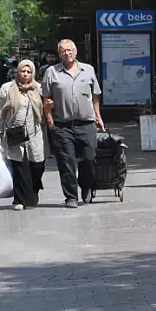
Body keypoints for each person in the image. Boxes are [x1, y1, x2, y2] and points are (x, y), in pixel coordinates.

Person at [42, 39, 106, 208]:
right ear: (59, 54)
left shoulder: (88, 70)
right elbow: (46, 100)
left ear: (76, 52)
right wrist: (50, 124)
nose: (67, 53)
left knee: (89, 158)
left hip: (86, 123)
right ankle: (70, 196)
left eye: (70, 50)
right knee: (66, 162)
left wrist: (98, 117)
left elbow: (95, 96)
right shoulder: (52, 72)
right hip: (62, 125)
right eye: (63, 50)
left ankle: (85, 185)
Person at [0, 59, 46, 211]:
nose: (25, 74)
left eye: (28, 72)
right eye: (23, 71)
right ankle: (19, 199)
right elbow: (0, 112)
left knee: (38, 165)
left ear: (33, 73)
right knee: (18, 167)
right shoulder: (8, 88)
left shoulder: (39, 88)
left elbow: (46, 108)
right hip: (15, 132)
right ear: (18, 72)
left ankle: (34, 189)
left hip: (34, 132)